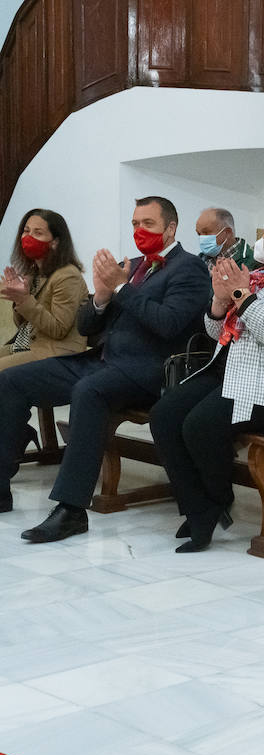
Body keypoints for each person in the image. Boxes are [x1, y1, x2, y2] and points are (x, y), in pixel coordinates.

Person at [0, 196, 211, 534]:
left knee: (89, 392)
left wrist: (122, 287)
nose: (139, 231)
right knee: (11, 379)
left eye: (148, 224)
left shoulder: (190, 268)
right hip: (102, 360)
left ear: (171, 228)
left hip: (148, 370)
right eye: (135, 224)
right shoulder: (136, 264)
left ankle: (71, 510)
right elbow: (86, 327)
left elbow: (169, 323)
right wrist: (100, 298)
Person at [150, 210, 264, 552]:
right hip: (240, 374)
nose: (261, 240)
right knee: (164, 414)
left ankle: (212, 503)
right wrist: (220, 303)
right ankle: (199, 504)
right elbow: (218, 333)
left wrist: (241, 295)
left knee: (199, 425)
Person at [0, 209, 86, 374]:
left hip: (55, 353)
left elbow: (58, 329)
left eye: (38, 233)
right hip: (24, 346)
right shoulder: (34, 273)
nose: (29, 237)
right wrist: (18, 299)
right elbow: (24, 325)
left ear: (55, 242)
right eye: (26, 231)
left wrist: (25, 300)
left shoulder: (68, 275)